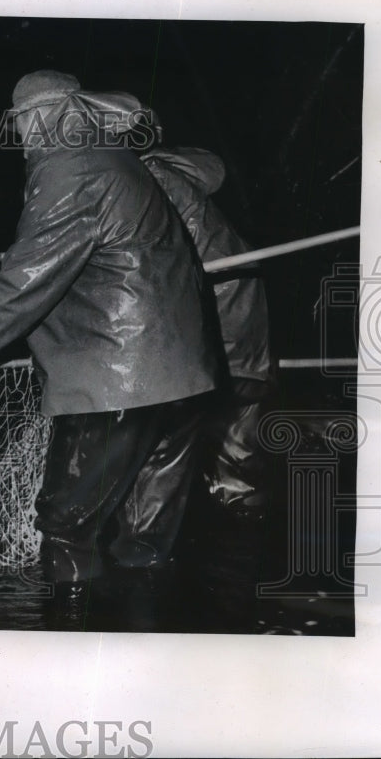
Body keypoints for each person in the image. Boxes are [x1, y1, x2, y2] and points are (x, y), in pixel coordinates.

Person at [0, 70, 219, 615]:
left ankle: (65, 659)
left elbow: (24, 285)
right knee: (143, 541)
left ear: (39, 116)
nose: (17, 135)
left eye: (17, 122)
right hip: (185, 378)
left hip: (120, 382)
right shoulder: (110, 157)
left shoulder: (71, 166)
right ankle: (142, 657)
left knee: (65, 530)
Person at [140, 147, 274, 517]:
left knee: (165, 446)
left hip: (217, 335)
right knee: (237, 454)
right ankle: (243, 533)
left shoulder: (147, 179)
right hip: (247, 340)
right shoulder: (195, 197)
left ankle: (146, 553)